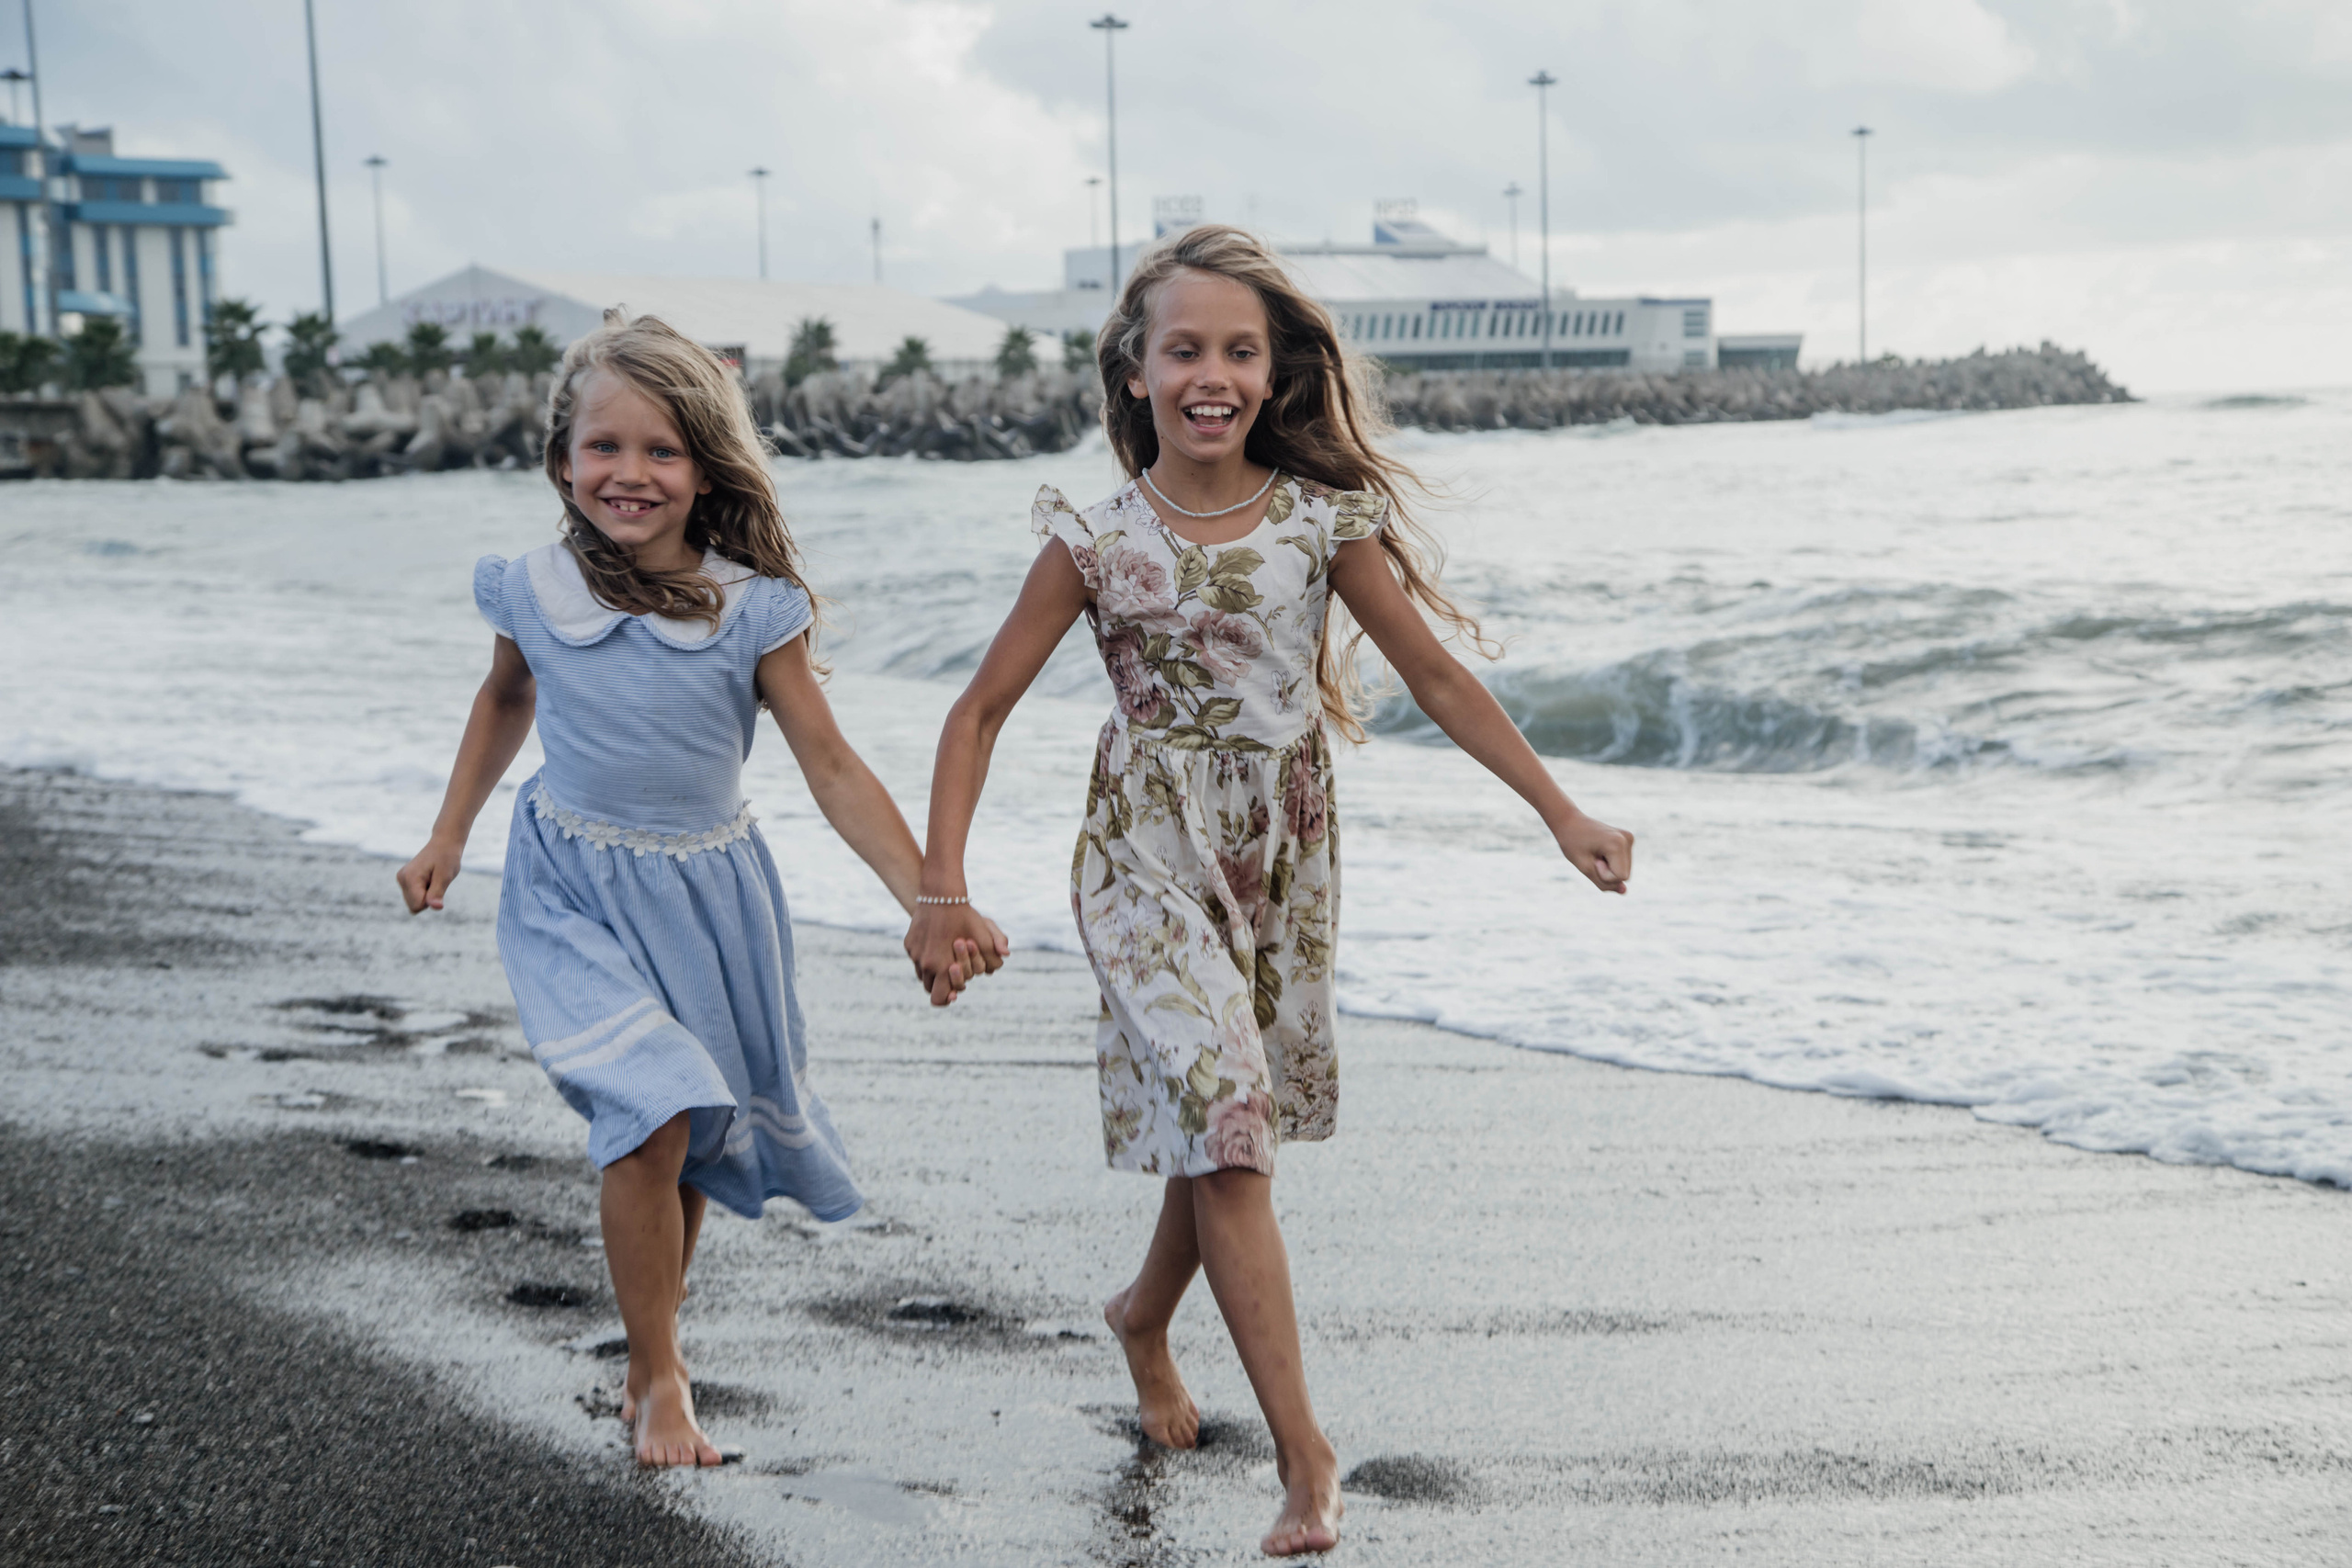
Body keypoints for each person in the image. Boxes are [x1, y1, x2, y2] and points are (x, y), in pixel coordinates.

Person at [905, 227, 1634, 1556]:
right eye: (1184, 348)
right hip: (1141, 859)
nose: (1213, 373)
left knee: (1225, 1120)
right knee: (1232, 1112)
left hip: (1281, 861)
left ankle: (1143, 1311)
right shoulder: (1096, 538)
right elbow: (977, 711)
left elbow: (1438, 677)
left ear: (1274, 371)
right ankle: (1308, 1456)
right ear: (1134, 372)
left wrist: (1560, 807)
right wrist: (938, 888)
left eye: (1240, 350)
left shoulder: (1317, 519)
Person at [397, 310, 1001, 1468]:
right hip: (569, 884)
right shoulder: (530, 588)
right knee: (653, 1108)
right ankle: (663, 1376)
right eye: (605, 447)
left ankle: (646, 1352)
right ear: (562, 458)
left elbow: (829, 764)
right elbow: (505, 699)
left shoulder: (750, 607)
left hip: (710, 898)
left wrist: (932, 895)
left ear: (705, 467)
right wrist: (449, 832)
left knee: (685, 1138)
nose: (630, 473)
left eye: (662, 451)